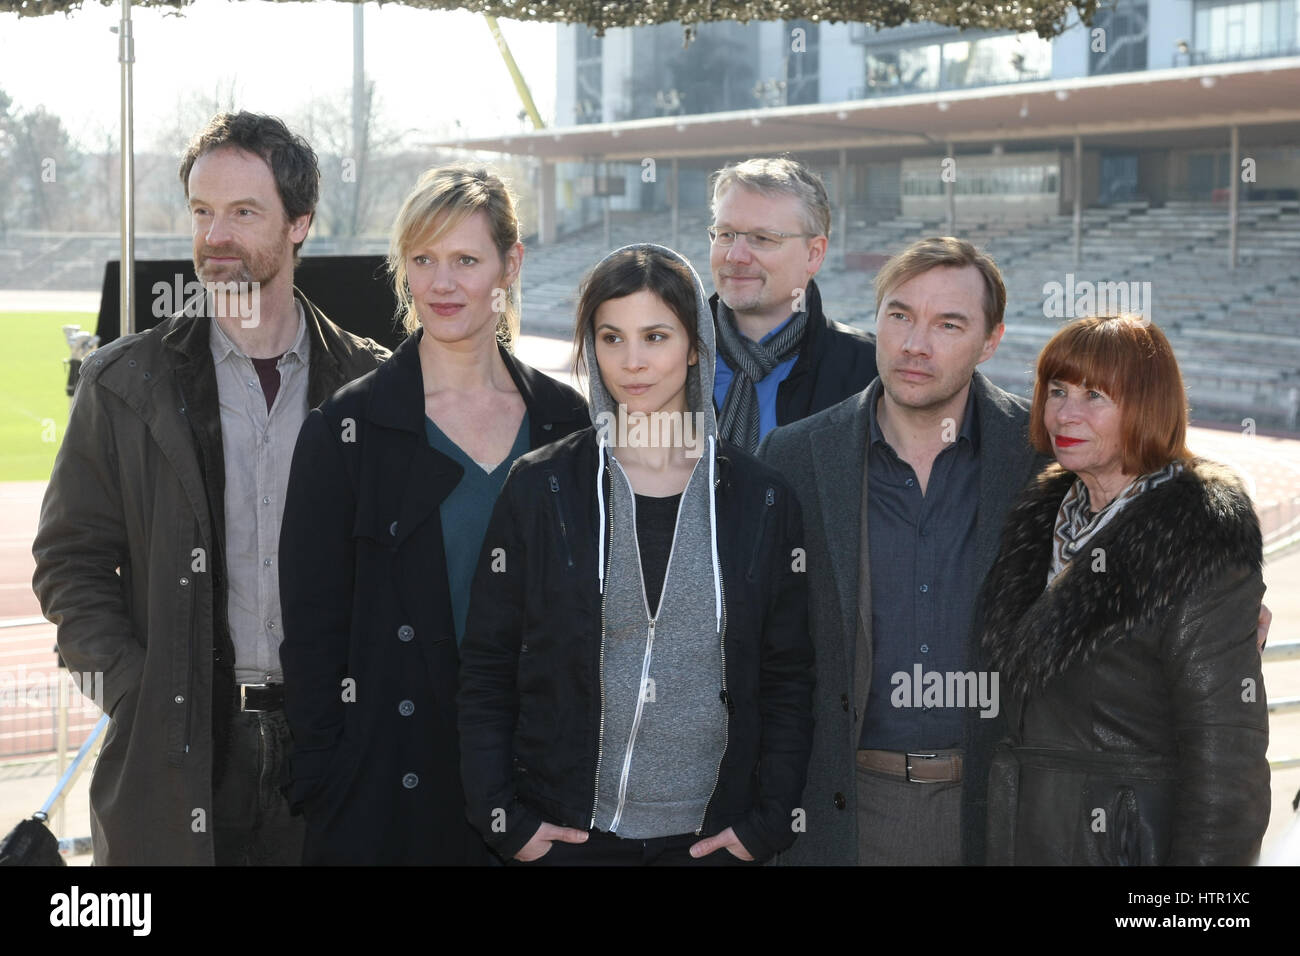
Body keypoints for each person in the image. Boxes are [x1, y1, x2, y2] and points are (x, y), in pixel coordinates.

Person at [31, 111, 389, 865]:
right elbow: (71, 561)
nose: (215, 236)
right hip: (179, 749)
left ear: (299, 223)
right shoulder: (124, 382)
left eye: (243, 212)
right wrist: (133, 688)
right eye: (202, 212)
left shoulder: (372, 384)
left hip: (332, 749)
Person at [457, 243, 814, 865]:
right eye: (611, 337)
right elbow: (488, 666)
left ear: (696, 346)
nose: (632, 362)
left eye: (655, 336)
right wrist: (505, 821)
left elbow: (788, 677)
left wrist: (766, 825)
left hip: (710, 841)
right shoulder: (542, 485)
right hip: (567, 835)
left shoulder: (761, 499)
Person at [277, 165, 589, 865]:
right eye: (423, 260)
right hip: (389, 794)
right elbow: (312, 630)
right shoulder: (346, 428)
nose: (441, 284)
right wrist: (328, 782)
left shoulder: (564, 420)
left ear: (510, 264)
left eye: (466, 260)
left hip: (536, 789)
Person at [758, 236, 1044, 865]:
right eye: (900, 315)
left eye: (948, 324)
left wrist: (1228, 598)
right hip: (841, 813)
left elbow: (1145, 508)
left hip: (995, 814)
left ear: (990, 340)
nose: (916, 344)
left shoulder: (1038, 457)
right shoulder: (796, 456)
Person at [979, 315, 1270, 865]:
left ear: (1146, 406)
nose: (1065, 413)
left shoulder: (1199, 534)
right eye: (1057, 391)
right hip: (1028, 838)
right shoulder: (1043, 514)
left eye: (1095, 396)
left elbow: (1227, 760)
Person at [708, 157, 878, 452]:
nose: (736, 255)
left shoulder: (870, 372)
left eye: (762, 238)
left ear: (814, 253)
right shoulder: (667, 355)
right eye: (726, 235)